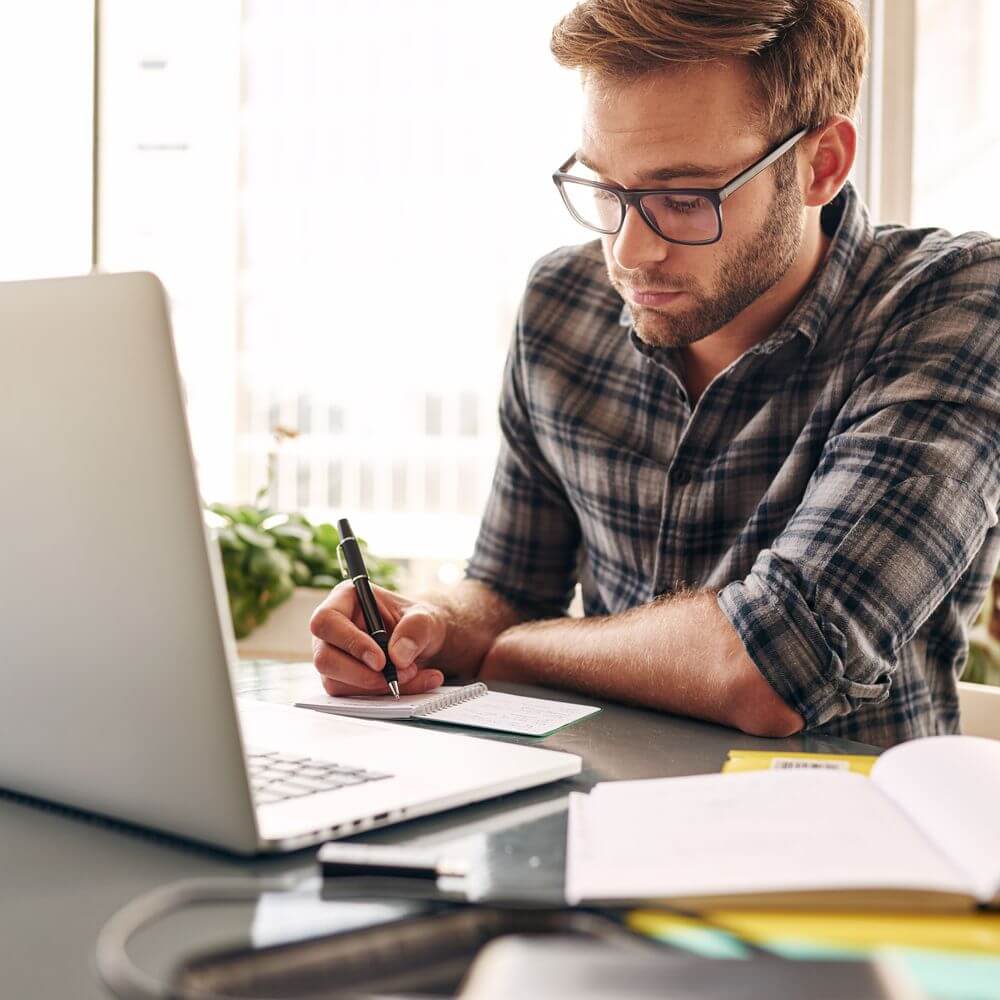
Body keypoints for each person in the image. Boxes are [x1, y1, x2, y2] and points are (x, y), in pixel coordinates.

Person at [310, 0, 1000, 747]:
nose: (630, 253)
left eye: (683, 198)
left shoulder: (954, 302)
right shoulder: (561, 304)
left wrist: (504, 653)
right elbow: (509, 590)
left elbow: (777, 665)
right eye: (607, 190)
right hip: (594, 818)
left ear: (820, 165)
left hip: (841, 842)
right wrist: (435, 630)